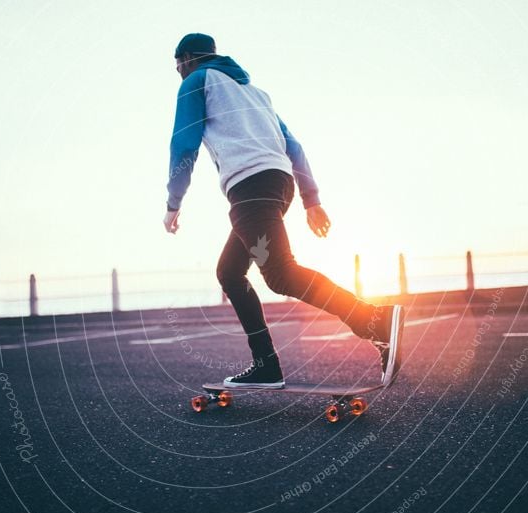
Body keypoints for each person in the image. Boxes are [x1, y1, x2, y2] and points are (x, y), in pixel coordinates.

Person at [164, 33, 403, 389]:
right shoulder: (256, 94)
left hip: (250, 189)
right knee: (230, 272)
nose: (178, 72)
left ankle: (373, 320)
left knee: (279, 274)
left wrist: (173, 203)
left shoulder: (197, 80)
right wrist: (312, 200)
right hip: (277, 184)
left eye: (177, 65)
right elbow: (294, 146)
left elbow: (184, 145)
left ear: (186, 59)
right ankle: (266, 365)